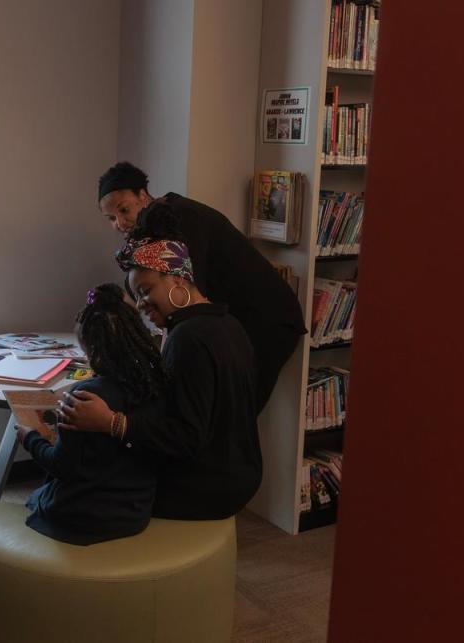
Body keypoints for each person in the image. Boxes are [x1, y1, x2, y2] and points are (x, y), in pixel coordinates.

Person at [59, 237, 261, 520]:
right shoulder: (229, 324)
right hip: (242, 474)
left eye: (145, 290)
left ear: (177, 279)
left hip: (207, 488)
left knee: (96, 477)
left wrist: (111, 423)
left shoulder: (189, 338)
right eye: (137, 296)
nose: (141, 304)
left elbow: (187, 437)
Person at [97, 161, 306, 411]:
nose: (119, 223)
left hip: (267, 320)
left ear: (143, 195)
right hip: (232, 321)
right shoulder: (150, 232)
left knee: (234, 413)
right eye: (111, 218)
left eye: (123, 210)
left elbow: (187, 299)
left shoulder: (181, 219)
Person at [17, 283, 164, 545]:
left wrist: (32, 437)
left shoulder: (85, 397)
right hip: (134, 510)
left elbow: (62, 466)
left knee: (34, 498)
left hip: (85, 518)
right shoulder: (152, 382)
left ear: (93, 350)